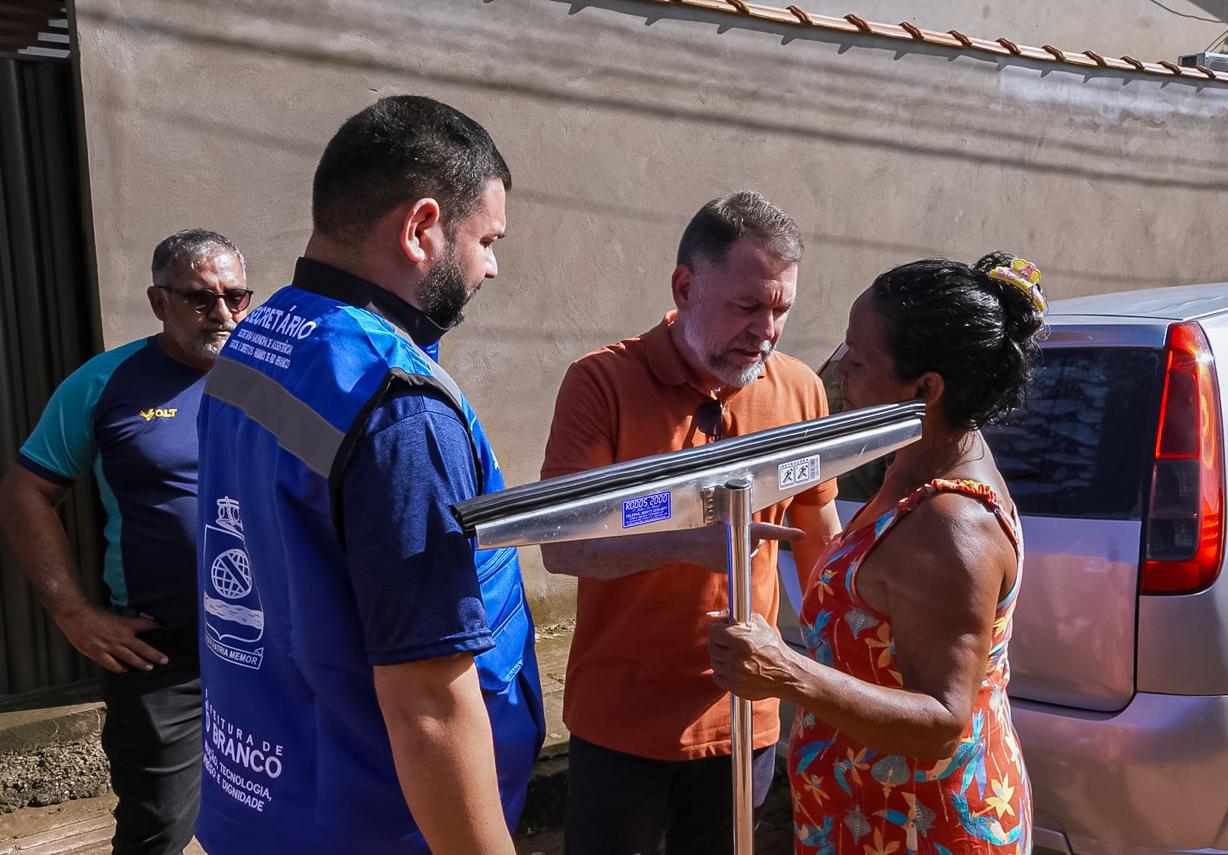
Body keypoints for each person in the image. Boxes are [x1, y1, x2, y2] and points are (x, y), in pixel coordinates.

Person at [192, 95, 543, 855]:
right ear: (421, 229)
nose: (491, 266)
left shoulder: (260, 337)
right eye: (486, 239)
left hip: (267, 801)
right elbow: (429, 705)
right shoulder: (397, 409)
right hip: (380, 823)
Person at [540, 191, 843, 855]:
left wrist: (839, 658)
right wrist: (688, 540)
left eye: (781, 308)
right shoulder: (602, 383)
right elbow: (561, 547)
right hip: (623, 721)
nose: (767, 329)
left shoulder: (799, 391)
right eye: (747, 306)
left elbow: (818, 536)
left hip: (745, 715)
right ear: (685, 286)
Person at [708, 253, 1043, 853]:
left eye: (857, 359)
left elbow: (943, 719)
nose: (838, 371)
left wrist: (785, 670)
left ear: (926, 389)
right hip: (875, 814)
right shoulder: (917, 468)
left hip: (922, 827)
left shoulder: (951, 523)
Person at [0, 230, 250, 855]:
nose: (223, 315)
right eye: (200, 299)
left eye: (237, 297)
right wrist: (72, 613)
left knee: (290, 817)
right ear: (157, 301)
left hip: (275, 649)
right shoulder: (105, 384)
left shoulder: (281, 378)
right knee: (159, 831)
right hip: (165, 658)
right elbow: (25, 492)